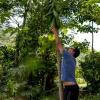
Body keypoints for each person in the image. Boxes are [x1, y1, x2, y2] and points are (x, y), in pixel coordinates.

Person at [51, 26, 80, 100]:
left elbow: (59, 45)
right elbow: (59, 47)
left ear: (73, 52)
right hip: (70, 88)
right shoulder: (72, 59)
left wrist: (55, 32)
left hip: (71, 88)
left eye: (71, 48)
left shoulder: (68, 56)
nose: (69, 48)